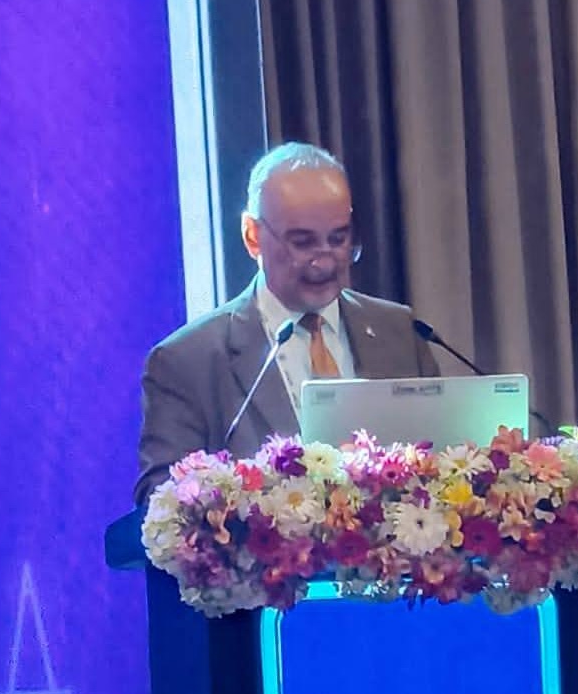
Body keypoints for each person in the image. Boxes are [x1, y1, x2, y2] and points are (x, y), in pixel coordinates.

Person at [135, 142, 438, 505]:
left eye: (338, 239)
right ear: (252, 236)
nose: (325, 262)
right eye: (303, 243)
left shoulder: (399, 331)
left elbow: (438, 462)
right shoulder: (188, 362)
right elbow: (161, 502)